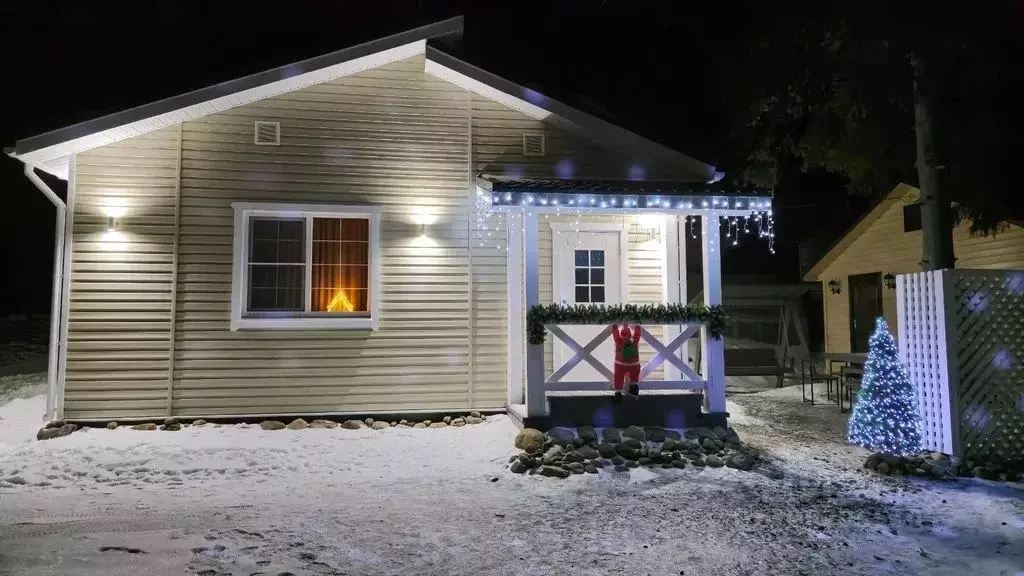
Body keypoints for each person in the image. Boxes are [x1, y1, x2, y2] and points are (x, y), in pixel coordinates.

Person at [611, 324, 641, 404]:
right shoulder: (634, 340)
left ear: (621, 334)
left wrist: (614, 327)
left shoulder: (619, 341)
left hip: (620, 364)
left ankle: (618, 393)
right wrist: (638, 327)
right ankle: (634, 390)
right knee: (634, 378)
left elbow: (615, 335)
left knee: (618, 378)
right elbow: (637, 335)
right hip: (634, 364)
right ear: (630, 334)